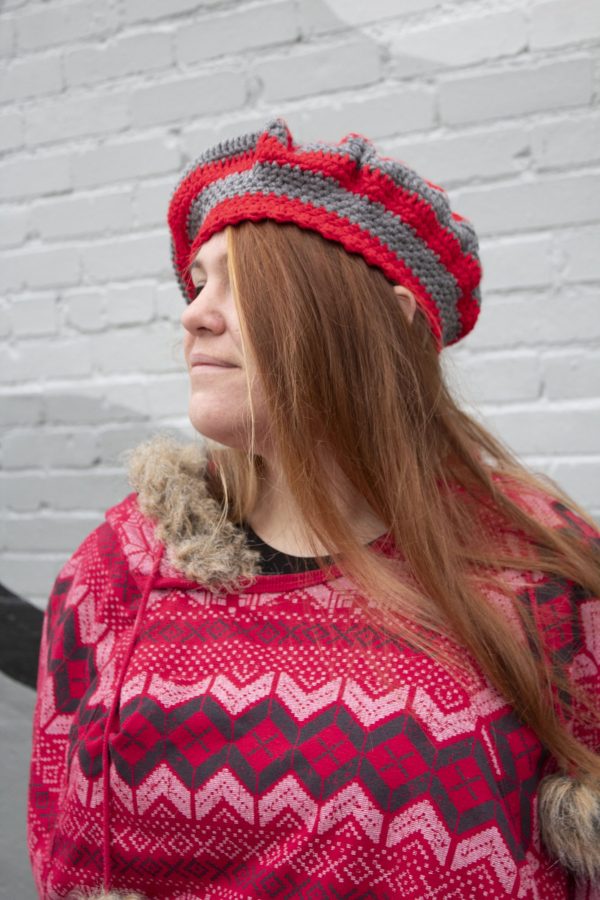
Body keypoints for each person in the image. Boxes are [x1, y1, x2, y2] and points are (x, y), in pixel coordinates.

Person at [28, 117, 599, 900]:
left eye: (242, 283)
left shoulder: (539, 578)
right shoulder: (121, 570)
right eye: (199, 280)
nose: (195, 312)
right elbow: (56, 841)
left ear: (384, 319)